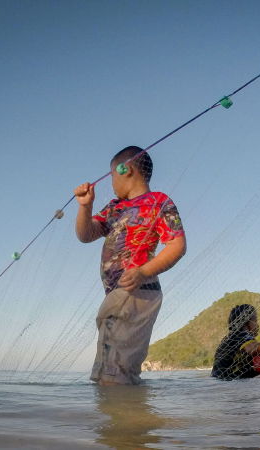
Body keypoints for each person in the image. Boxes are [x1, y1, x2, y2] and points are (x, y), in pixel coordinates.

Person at [74, 146, 186, 385]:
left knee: (113, 375)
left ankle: (126, 421)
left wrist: (143, 271)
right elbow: (85, 235)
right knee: (110, 372)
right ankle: (127, 418)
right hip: (119, 295)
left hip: (137, 291)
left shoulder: (158, 201)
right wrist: (85, 206)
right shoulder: (114, 207)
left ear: (127, 169)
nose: (112, 183)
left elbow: (177, 245)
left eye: (112, 175)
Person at [211, 304, 260, 380]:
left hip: (219, 380)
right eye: (255, 320)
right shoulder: (242, 335)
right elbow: (254, 347)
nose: (257, 325)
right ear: (247, 322)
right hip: (233, 384)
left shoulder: (227, 340)